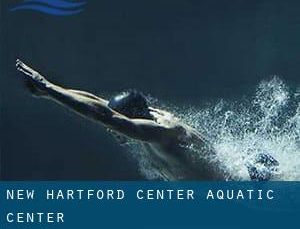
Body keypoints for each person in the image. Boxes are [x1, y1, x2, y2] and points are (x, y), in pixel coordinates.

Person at [15, 59, 277, 180]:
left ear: (132, 119)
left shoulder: (161, 133)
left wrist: (48, 88)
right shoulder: (146, 118)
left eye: (115, 125)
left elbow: (105, 116)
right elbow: (99, 105)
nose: (111, 130)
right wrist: (51, 92)